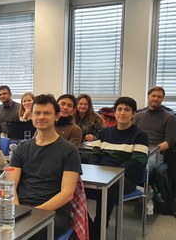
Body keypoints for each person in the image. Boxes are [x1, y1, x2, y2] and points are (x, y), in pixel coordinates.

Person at [9, 94, 82, 239]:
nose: (41, 117)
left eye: (47, 113)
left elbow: (67, 194)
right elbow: (10, 185)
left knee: (24, 234)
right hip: (22, 209)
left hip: (54, 213)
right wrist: (16, 210)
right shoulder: (21, 148)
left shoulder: (69, 150)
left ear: (57, 116)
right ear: (31, 116)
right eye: (37, 113)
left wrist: (33, 213)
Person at [87, 97, 148, 240]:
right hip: (101, 177)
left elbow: (136, 164)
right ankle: (87, 224)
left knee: (108, 189)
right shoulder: (104, 133)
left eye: (127, 110)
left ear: (133, 114)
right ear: (114, 112)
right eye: (119, 109)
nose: (122, 113)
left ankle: (99, 228)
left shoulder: (140, 135)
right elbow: (94, 157)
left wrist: (110, 175)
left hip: (125, 179)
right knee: (75, 187)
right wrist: (98, 173)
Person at [133, 86, 176, 165]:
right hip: (136, 149)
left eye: (159, 97)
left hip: (156, 153)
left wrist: (152, 150)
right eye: (153, 96)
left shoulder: (170, 117)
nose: (156, 99)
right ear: (148, 96)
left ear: (162, 99)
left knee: (143, 166)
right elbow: (131, 134)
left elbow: (170, 141)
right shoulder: (137, 116)